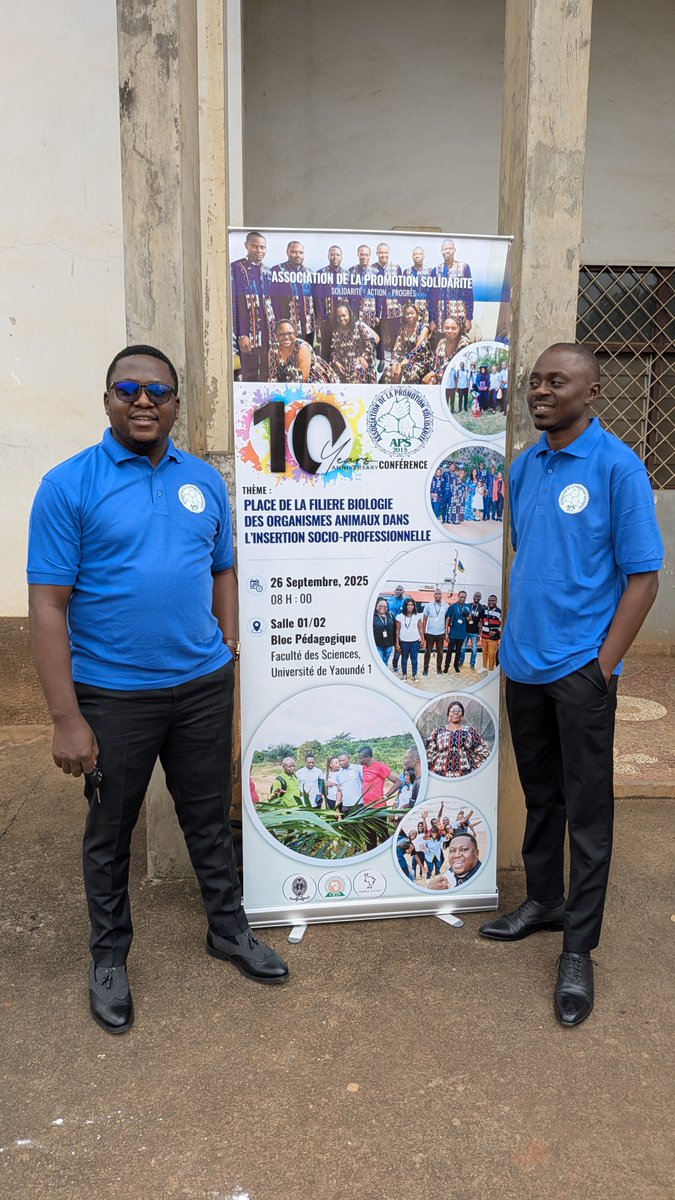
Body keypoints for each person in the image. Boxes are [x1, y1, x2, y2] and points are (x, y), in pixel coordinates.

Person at [27, 344, 289, 1035]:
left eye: (158, 392)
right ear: (107, 399)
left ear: (176, 402)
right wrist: (65, 718)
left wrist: (225, 643)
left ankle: (227, 930)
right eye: (128, 389)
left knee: (209, 817)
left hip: (202, 686)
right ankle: (109, 958)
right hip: (113, 696)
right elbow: (48, 605)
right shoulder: (68, 485)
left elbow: (223, 567)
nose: (144, 401)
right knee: (110, 832)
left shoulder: (202, 480)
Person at [479, 342, 664, 1028]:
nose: (540, 392)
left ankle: (578, 949)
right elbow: (533, 557)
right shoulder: (523, 468)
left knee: (588, 814)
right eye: (534, 382)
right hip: (523, 667)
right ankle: (543, 903)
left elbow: (643, 577)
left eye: (556, 382)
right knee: (541, 797)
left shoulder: (617, 467)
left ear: (591, 394)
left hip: (580, 673)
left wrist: (602, 665)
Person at [231, 231, 275, 382]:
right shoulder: (236, 269)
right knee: (249, 374)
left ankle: (266, 406)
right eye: (255, 246)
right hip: (249, 333)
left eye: (262, 247)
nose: (259, 250)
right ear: (246, 246)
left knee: (267, 373)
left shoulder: (269, 272)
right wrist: (242, 334)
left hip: (268, 334)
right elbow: (236, 304)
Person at [425, 701, 491, 778]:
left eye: (459, 711)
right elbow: (430, 753)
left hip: (465, 774)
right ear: (448, 715)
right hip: (440, 774)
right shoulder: (439, 731)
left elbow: (483, 753)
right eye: (452, 711)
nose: (456, 713)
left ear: (462, 715)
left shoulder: (471, 731)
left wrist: (475, 768)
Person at [269, 240, 316, 344]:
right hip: (287, 327)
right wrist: (278, 324)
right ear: (287, 252)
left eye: (300, 252)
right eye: (294, 252)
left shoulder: (309, 272)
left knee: (307, 355)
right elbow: (274, 301)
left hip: (308, 326)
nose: (297, 255)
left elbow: (315, 299)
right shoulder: (278, 271)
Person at [429, 239, 474, 342]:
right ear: (441, 251)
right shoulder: (436, 271)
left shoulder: (464, 268)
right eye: (445, 249)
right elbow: (432, 298)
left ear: (454, 250)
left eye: (450, 248)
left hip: (459, 314)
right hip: (441, 317)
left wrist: (469, 319)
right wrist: (432, 320)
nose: (447, 251)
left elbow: (469, 295)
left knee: (460, 344)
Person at [268, 319, 337, 383]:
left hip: (315, 381)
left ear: (295, 333)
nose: (286, 337)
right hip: (289, 383)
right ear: (276, 336)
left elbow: (303, 379)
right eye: (281, 334)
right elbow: (273, 375)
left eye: (289, 333)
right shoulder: (274, 349)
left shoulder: (302, 347)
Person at [329, 303, 379, 384]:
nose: (341, 319)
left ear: (349, 314)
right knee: (331, 372)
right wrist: (336, 362)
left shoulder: (358, 326)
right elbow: (335, 350)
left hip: (359, 360)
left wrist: (363, 357)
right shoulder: (336, 331)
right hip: (343, 361)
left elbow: (373, 341)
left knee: (356, 368)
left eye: (344, 315)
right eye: (338, 317)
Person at [313, 244, 345, 361]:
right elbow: (318, 299)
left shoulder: (347, 275)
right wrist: (323, 318)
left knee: (343, 348)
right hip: (327, 320)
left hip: (343, 321)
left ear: (342, 257)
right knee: (326, 349)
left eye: (337, 255)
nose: (335, 257)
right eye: (332, 254)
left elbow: (351, 298)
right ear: (328, 256)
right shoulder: (321, 274)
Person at [423, 319, 470, 391]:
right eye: (447, 328)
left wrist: (433, 373)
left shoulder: (464, 343)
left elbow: (453, 363)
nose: (450, 331)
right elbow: (436, 364)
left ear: (459, 329)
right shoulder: (442, 342)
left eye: (453, 328)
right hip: (440, 378)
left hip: (456, 379)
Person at [395, 598, 424, 682]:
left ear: (414, 606)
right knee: (404, 659)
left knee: (414, 659)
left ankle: (414, 674)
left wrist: (423, 639)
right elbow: (397, 631)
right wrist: (397, 644)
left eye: (412, 605)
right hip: (404, 642)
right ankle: (404, 675)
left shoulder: (417, 616)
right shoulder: (399, 617)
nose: (410, 606)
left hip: (414, 642)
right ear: (405, 606)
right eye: (408, 605)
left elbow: (420, 628)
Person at [421, 588, 447, 676]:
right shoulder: (428, 606)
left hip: (441, 633)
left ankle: (439, 668)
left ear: (441, 595)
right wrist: (424, 633)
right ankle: (425, 669)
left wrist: (447, 633)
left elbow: (448, 620)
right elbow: (424, 620)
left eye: (439, 594)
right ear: (434, 595)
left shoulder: (446, 606)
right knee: (427, 652)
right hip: (430, 634)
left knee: (440, 652)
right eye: (436, 594)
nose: (438, 595)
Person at [443, 591, 470, 673]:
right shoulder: (453, 607)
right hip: (453, 633)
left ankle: (456, 666)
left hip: (462, 634)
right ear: (458, 596)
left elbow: (470, 620)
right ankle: (446, 666)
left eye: (464, 597)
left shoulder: (467, 607)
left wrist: (467, 615)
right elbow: (447, 619)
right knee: (449, 651)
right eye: (461, 597)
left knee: (459, 651)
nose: (463, 598)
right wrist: (446, 633)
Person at [464, 593, 486, 671]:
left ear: (480, 598)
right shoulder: (468, 606)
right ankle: (461, 662)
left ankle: (472, 664)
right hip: (466, 631)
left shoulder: (481, 608)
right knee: (462, 648)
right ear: (473, 597)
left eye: (478, 596)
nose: (477, 597)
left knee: (474, 649)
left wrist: (479, 634)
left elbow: (481, 622)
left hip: (475, 633)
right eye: (475, 596)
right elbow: (464, 616)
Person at [480, 595, 501, 672]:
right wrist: (480, 633)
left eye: (493, 600)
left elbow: (502, 625)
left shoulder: (499, 612)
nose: (491, 602)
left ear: (496, 601)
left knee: (491, 654)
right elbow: (481, 622)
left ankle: (491, 669)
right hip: (484, 636)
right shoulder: (484, 610)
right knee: (484, 652)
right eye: (490, 600)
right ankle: (484, 667)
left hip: (493, 638)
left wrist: (495, 632)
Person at [373, 598, 396, 665]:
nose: (382, 608)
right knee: (379, 661)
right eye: (380, 606)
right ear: (376, 606)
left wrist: (395, 643)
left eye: (385, 606)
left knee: (385, 660)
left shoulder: (390, 615)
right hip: (377, 644)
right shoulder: (372, 616)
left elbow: (394, 629)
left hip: (389, 644)